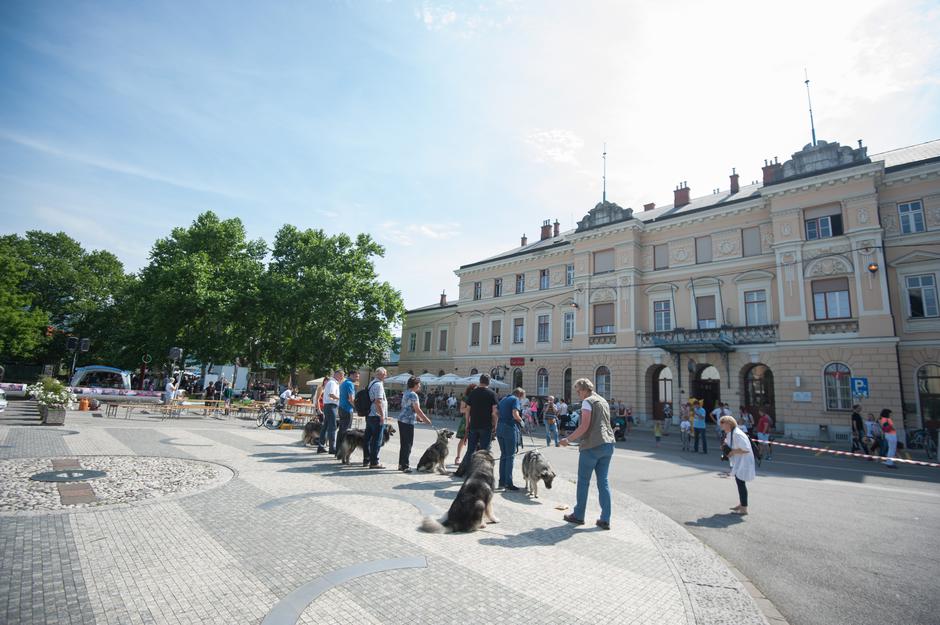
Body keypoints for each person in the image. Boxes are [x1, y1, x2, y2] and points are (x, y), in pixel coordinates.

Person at [561, 378, 615, 530]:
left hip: (592, 445)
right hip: (608, 444)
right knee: (603, 482)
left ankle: (578, 515)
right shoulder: (603, 400)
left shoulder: (587, 402)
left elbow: (584, 426)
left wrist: (568, 439)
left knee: (583, 482)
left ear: (585, 389)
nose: (578, 394)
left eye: (578, 391)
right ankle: (605, 519)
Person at [455, 374, 499, 476]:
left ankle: (463, 472)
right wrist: (495, 424)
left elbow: (468, 410)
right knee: (484, 451)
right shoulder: (492, 394)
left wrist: (467, 423)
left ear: (480, 381)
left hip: (474, 425)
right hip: (486, 426)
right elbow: (494, 412)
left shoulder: (473, 393)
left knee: (470, 450)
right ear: (489, 382)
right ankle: (480, 472)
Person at [720, 415, 756, 515]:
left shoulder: (737, 434)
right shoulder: (731, 433)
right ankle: (742, 504)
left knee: (741, 483)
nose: (721, 427)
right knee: (740, 482)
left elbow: (745, 449)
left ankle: (744, 508)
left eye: (722, 424)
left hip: (744, 461)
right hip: (739, 461)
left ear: (729, 424)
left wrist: (732, 452)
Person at [397, 376, 433, 473]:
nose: (420, 386)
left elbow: (408, 407)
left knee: (404, 443)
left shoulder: (406, 392)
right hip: (407, 421)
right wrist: (426, 419)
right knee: (408, 444)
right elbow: (417, 409)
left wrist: (417, 417)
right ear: (415, 385)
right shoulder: (413, 395)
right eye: (419, 384)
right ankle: (405, 466)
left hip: (402, 419)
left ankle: (401, 464)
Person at [496, 388, 526, 490]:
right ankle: (509, 483)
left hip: (499, 427)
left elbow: (496, 413)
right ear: (520, 394)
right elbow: (515, 414)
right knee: (510, 456)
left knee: (503, 455)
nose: (522, 399)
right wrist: (521, 422)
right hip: (509, 428)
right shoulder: (515, 400)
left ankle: (501, 482)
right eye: (522, 397)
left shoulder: (503, 399)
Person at [363, 367, 389, 469]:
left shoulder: (371, 383)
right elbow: (378, 402)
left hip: (370, 415)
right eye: (385, 374)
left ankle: (366, 459)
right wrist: (382, 416)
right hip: (376, 416)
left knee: (368, 439)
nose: (386, 376)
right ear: (381, 374)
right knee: (376, 440)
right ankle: (374, 462)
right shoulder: (378, 385)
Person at [318, 370, 342, 455]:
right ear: (337, 375)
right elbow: (331, 394)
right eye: (341, 375)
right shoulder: (332, 383)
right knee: (332, 427)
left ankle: (321, 446)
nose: (342, 377)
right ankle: (332, 448)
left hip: (329, 406)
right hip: (331, 406)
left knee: (325, 427)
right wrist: (341, 399)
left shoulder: (333, 383)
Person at [337, 370, 358, 459]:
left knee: (341, 430)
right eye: (356, 376)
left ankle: (338, 452)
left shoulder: (343, 383)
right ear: (351, 375)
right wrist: (357, 408)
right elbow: (351, 399)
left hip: (341, 408)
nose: (357, 378)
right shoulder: (350, 384)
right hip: (347, 409)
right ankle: (342, 453)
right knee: (346, 432)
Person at [453, 383, 476, 464]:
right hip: (465, 420)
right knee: (462, 439)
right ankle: (458, 457)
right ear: (471, 390)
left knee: (473, 441)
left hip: (474, 420)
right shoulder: (465, 397)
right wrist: (469, 408)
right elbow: (461, 410)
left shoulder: (477, 398)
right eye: (475, 389)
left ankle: (469, 459)